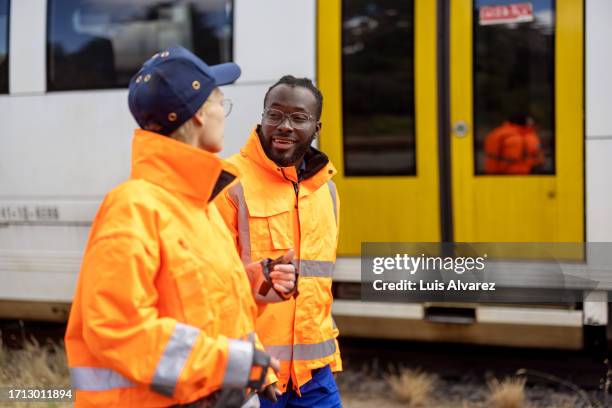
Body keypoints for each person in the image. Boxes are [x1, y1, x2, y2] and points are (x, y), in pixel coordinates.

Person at [65, 46, 297, 407]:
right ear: (201, 113)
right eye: (221, 102)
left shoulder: (197, 204)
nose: (224, 112)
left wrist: (256, 282)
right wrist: (232, 365)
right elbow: (116, 329)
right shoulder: (133, 207)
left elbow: (197, 301)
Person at [215, 75, 342, 408]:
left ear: (316, 127)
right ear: (262, 118)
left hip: (314, 376)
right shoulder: (229, 182)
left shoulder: (325, 187)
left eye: (298, 118)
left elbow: (320, 283)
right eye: (275, 115)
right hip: (252, 374)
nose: (284, 126)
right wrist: (253, 365)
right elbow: (216, 289)